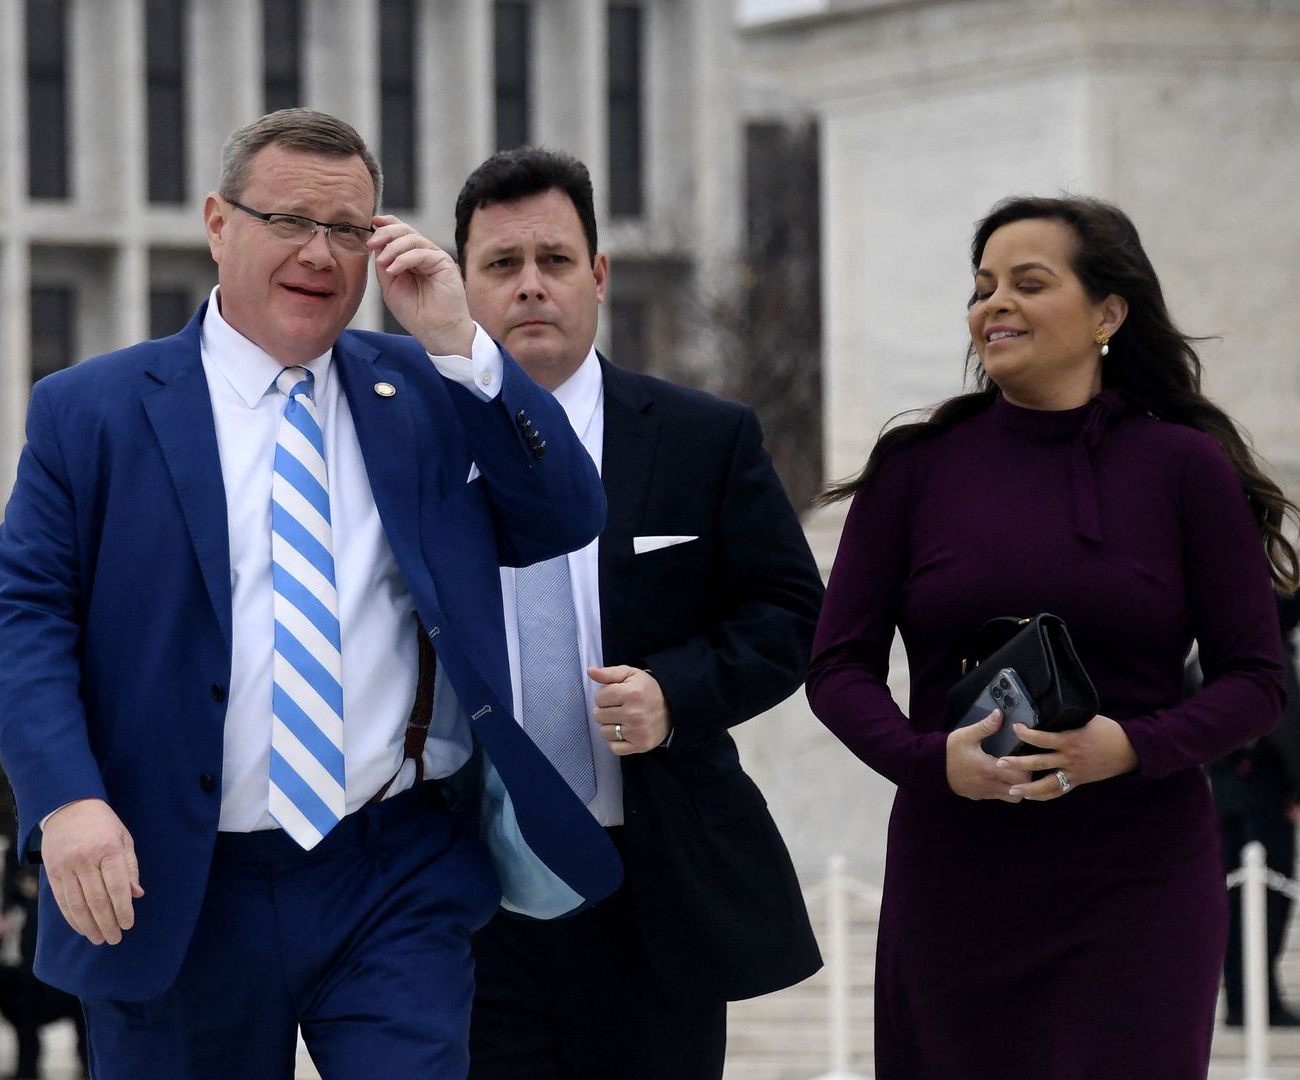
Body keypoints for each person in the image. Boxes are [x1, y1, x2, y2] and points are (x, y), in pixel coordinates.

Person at [0, 108, 619, 1080]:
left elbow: (566, 513)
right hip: (177, 885)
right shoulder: (90, 412)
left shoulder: (422, 386)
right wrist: (65, 800)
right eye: (289, 222)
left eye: (349, 230)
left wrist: (460, 342)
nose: (321, 254)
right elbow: (26, 619)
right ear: (218, 223)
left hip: (391, 871)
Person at [806, 194, 1294, 1078]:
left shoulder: (1185, 469)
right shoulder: (915, 469)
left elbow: (1256, 679)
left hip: (1136, 880)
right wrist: (930, 761)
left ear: (1108, 313)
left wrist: (1131, 748)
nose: (995, 303)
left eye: (1029, 283)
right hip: (955, 875)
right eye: (983, 285)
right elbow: (838, 667)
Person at [451, 146, 822, 1079]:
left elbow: (793, 613)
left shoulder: (705, 436)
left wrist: (676, 694)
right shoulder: (410, 445)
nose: (530, 287)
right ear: (461, 286)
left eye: (555, 261)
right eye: (501, 266)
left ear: (599, 276)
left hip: (653, 891)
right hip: (464, 891)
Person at [1213, 593, 1300, 1026]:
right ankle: (1256, 1002)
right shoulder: (1269, 659)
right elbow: (1286, 728)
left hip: (1226, 795)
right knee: (1263, 905)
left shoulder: (1215, 660)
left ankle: (1244, 1002)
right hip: (1261, 800)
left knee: (1240, 907)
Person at [0, 828, 86, 1078]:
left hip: (68, 926)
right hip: (33, 934)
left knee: (78, 1009)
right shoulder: (21, 832)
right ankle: (28, 1071)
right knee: (28, 1014)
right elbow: (10, 880)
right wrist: (5, 915)